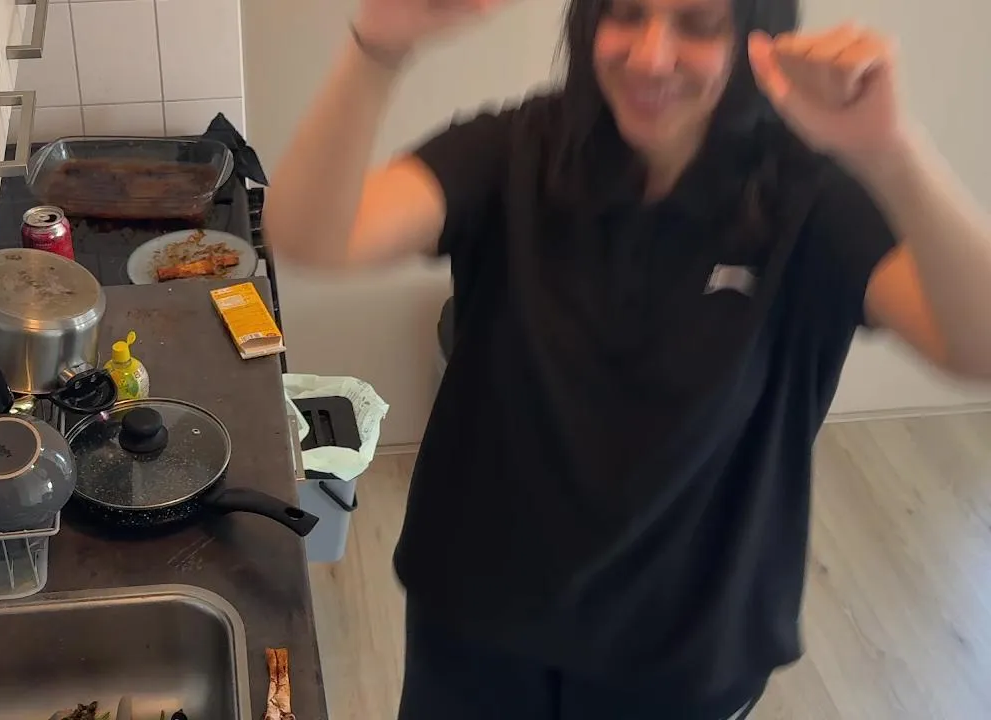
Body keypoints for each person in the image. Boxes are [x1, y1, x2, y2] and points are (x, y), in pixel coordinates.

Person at [265, 0, 991, 717]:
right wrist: (377, 51)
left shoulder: (810, 196)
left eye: (698, 25)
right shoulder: (517, 149)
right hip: (476, 618)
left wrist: (891, 151)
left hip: (683, 652)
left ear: (757, 36)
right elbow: (311, 238)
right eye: (627, 13)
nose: (650, 56)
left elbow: (977, 347)